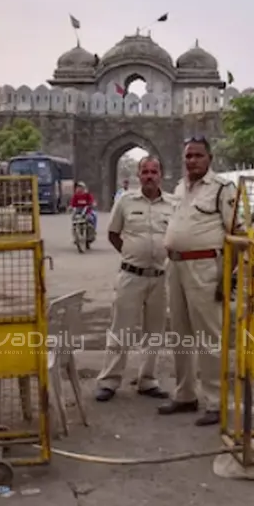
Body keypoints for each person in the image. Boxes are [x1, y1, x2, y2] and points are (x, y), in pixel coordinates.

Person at [160, 137, 237, 427]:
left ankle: (217, 403)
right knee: (180, 334)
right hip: (176, 266)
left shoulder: (222, 189)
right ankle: (185, 395)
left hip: (205, 267)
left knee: (209, 338)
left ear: (210, 158)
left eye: (197, 155)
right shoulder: (181, 188)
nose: (192, 160)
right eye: (188, 156)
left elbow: (237, 233)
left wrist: (227, 276)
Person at [94, 156, 175, 402]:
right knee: (121, 329)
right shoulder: (126, 201)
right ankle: (109, 381)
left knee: (155, 332)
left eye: (154, 171)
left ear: (161, 174)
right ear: (139, 176)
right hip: (131, 275)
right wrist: (133, 254)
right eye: (145, 172)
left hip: (160, 277)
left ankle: (147, 380)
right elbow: (113, 234)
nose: (150, 176)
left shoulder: (173, 204)